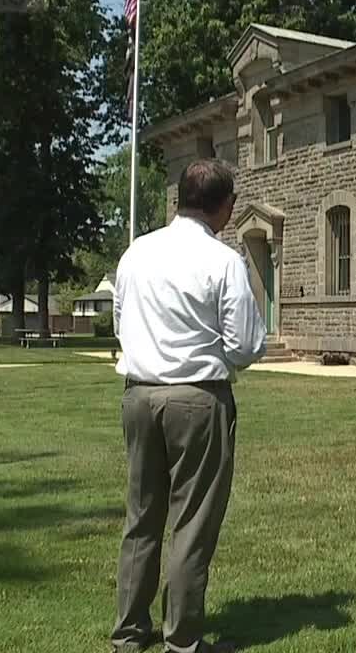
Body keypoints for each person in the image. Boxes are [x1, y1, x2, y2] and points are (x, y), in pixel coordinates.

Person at [111, 159, 266, 653]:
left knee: (141, 518)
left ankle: (130, 633)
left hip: (139, 393)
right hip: (197, 397)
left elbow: (120, 321)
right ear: (225, 206)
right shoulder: (223, 261)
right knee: (192, 521)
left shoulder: (137, 252)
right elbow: (245, 343)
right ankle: (182, 639)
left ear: (178, 198)